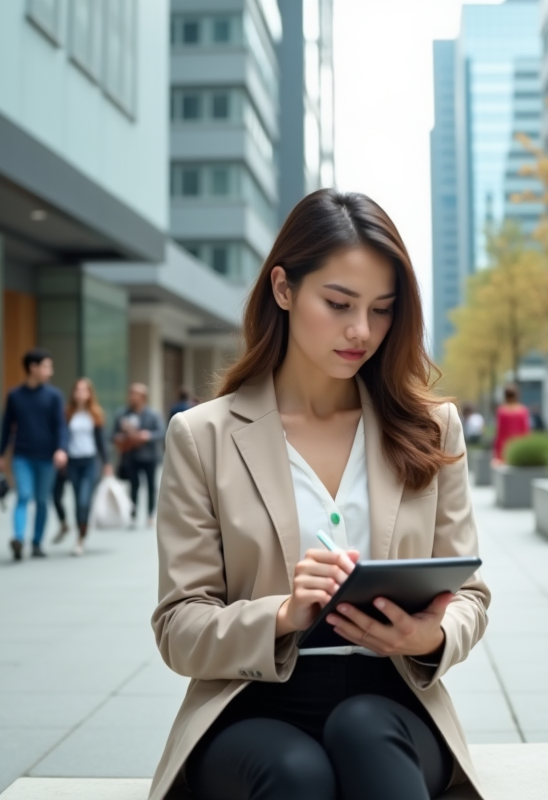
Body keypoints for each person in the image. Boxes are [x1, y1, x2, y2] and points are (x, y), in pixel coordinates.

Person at [148, 189, 490, 800]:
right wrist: (282, 614)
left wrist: (429, 638)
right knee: (297, 772)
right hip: (251, 704)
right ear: (283, 288)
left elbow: (470, 595)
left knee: (364, 731)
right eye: (338, 304)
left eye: (382, 310)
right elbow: (179, 626)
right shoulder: (203, 436)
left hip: (393, 704)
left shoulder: (431, 428)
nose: (362, 331)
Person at [0, 349, 68, 561]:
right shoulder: (15, 395)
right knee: (24, 496)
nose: (50, 371)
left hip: (47, 456)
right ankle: (18, 539)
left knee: (42, 500)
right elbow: (7, 426)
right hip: (22, 456)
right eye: (46, 366)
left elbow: (61, 426)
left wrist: (61, 448)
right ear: (33, 367)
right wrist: (0, 454)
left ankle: (37, 543)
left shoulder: (54, 395)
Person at [55, 377, 112, 555]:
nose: (80, 393)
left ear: (89, 393)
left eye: (83, 390)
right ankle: (79, 532)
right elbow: (62, 437)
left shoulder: (95, 414)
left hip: (90, 462)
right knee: (76, 499)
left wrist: (107, 462)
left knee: (84, 500)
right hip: (73, 461)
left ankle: (81, 537)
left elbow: (101, 441)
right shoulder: (67, 413)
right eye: (77, 390)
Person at [113, 383, 163, 528]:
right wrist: (123, 437)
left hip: (149, 457)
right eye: (130, 393)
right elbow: (114, 434)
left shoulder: (153, 414)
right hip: (131, 456)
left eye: (135, 394)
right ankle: (133, 515)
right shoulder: (123, 414)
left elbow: (161, 432)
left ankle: (150, 515)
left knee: (151, 486)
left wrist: (148, 436)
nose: (132, 397)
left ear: (143, 397)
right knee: (133, 486)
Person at [492, 384, 530, 466]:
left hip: (505, 447)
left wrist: (497, 451)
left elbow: (499, 432)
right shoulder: (522, 410)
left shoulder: (501, 411)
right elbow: (525, 431)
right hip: (519, 447)